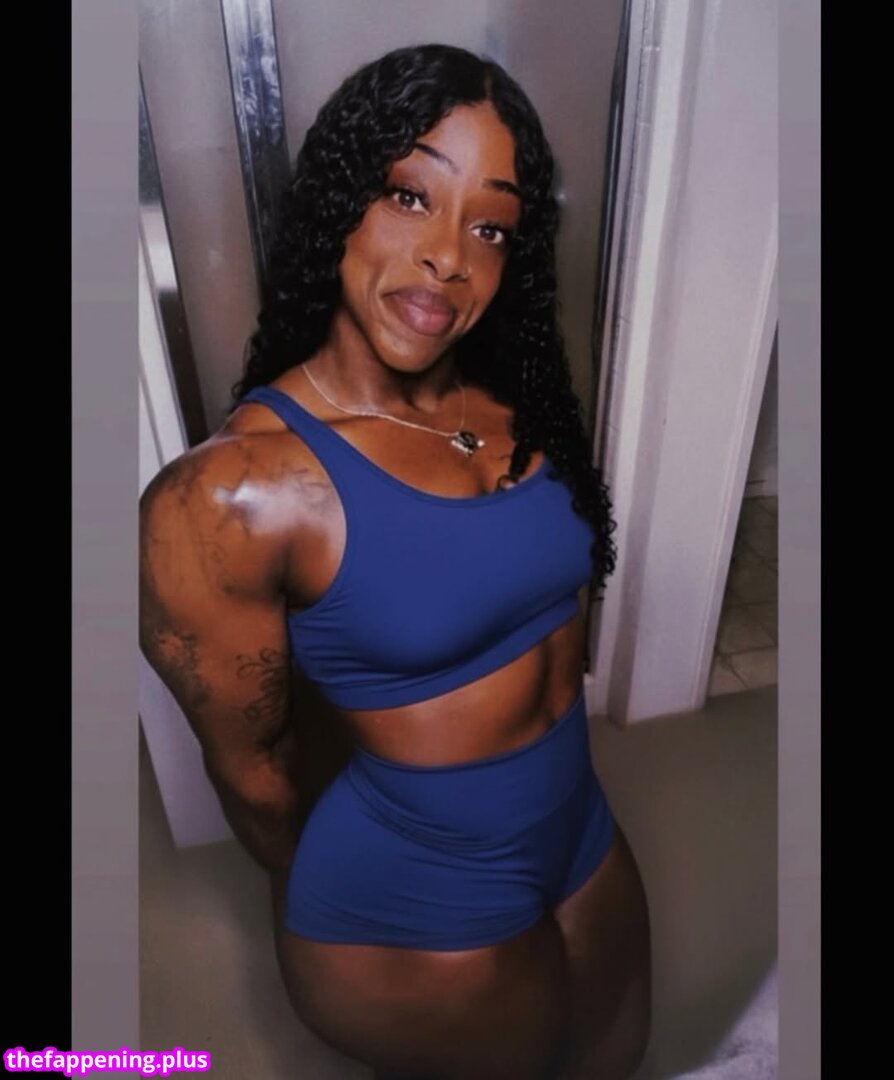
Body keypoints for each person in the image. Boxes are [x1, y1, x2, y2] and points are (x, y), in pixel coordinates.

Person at [139, 43, 651, 1080]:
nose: (450, 257)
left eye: (490, 226)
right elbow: (255, 773)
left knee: (618, 1058)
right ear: (340, 203)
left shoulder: (520, 406)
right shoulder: (229, 497)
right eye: (410, 196)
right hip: (414, 890)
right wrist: (344, 894)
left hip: (579, 825)